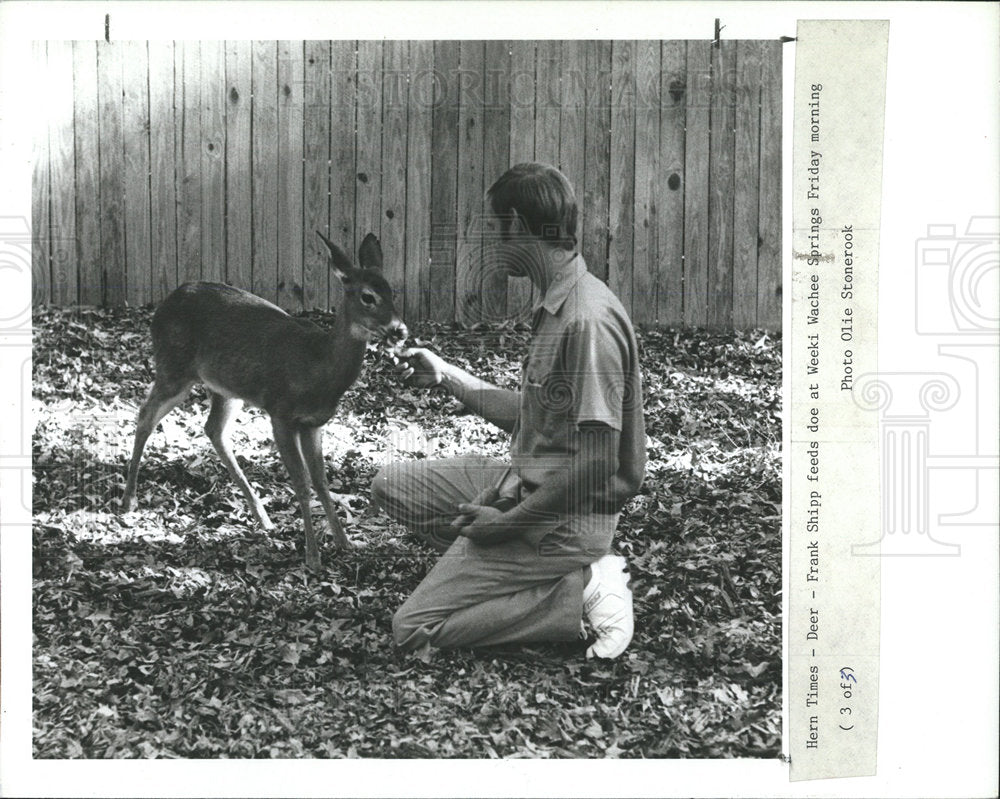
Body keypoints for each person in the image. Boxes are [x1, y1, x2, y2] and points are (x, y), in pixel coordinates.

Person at [372, 163, 646, 659]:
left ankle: (578, 590)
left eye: (494, 228)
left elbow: (598, 463)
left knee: (411, 629)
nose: (491, 244)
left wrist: (509, 524)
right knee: (392, 487)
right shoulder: (559, 305)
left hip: (566, 518)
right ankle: (507, 578)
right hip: (528, 483)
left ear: (518, 226)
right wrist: (447, 374)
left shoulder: (587, 321)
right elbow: (538, 415)